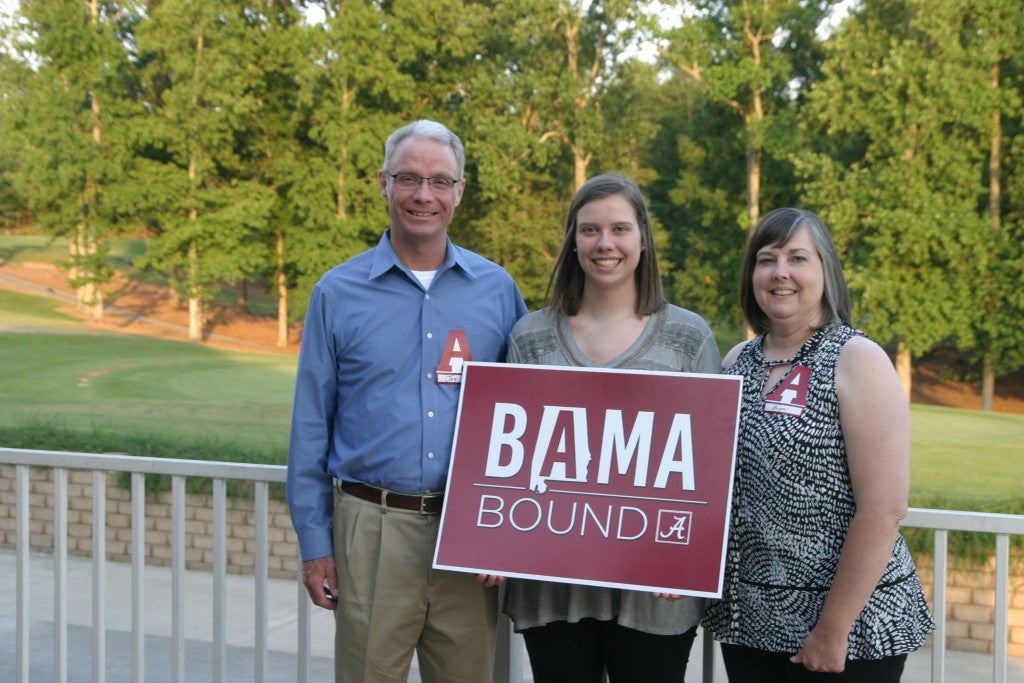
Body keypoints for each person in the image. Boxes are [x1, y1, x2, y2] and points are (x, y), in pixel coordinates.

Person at [286, 119, 528, 683]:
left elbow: (525, 415)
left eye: (441, 181)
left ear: (460, 191)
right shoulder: (337, 293)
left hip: (469, 533)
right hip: (371, 528)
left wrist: (507, 536)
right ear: (383, 184)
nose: (425, 195)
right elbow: (310, 428)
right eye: (409, 178)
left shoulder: (497, 290)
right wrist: (314, 544)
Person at [500, 173, 721, 683]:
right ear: (573, 240)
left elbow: (711, 467)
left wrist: (690, 560)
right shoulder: (530, 337)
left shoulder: (689, 337)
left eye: (620, 228)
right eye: (590, 230)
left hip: (655, 594)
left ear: (642, 237)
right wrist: (492, 541)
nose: (605, 244)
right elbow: (505, 459)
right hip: (552, 590)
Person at [701, 207, 934, 681]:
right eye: (766, 259)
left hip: (848, 632)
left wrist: (834, 628)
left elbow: (884, 508)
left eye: (797, 258)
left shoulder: (856, 358)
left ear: (825, 271)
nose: (780, 272)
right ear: (752, 276)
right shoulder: (736, 362)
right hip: (752, 623)